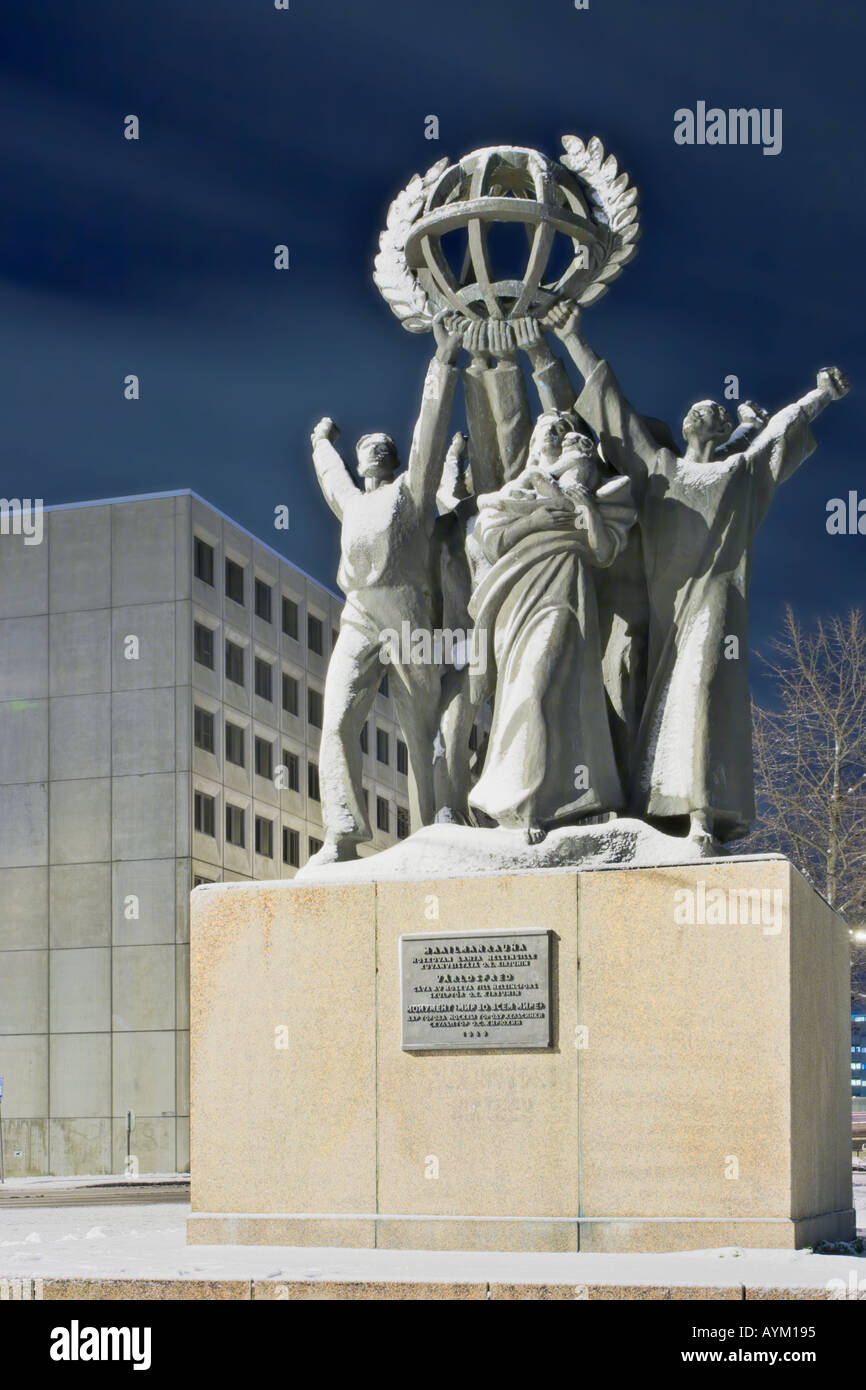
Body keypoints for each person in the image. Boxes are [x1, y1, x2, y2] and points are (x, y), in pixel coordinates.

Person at [550, 303, 849, 849]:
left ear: (722, 427)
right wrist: (574, 339)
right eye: (698, 408)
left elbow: (779, 435)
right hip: (668, 614)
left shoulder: (740, 473)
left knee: (707, 685)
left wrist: (819, 395)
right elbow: (614, 410)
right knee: (666, 697)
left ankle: (703, 815)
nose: (706, 411)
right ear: (687, 425)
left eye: (715, 409)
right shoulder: (658, 470)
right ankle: (663, 805)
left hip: (716, 598)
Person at [308, 313, 462, 864]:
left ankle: (438, 817)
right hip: (358, 616)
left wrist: (442, 361)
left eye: (383, 445)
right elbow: (329, 475)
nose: (374, 449)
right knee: (337, 719)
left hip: (409, 614)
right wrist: (320, 440)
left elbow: (430, 430)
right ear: (358, 460)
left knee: (421, 723)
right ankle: (342, 831)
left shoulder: (411, 495)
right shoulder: (352, 502)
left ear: (394, 461)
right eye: (367, 446)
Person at [468, 413, 636, 842]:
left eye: (561, 430)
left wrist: (583, 506)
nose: (553, 434)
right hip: (513, 599)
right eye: (545, 428)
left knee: (539, 688)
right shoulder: (509, 493)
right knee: (518, 696)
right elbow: (494, 540)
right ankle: (525, 801)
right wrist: (541, 518)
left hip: (563, 589)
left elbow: (602, 550)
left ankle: (530, 805)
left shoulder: (593, 486)